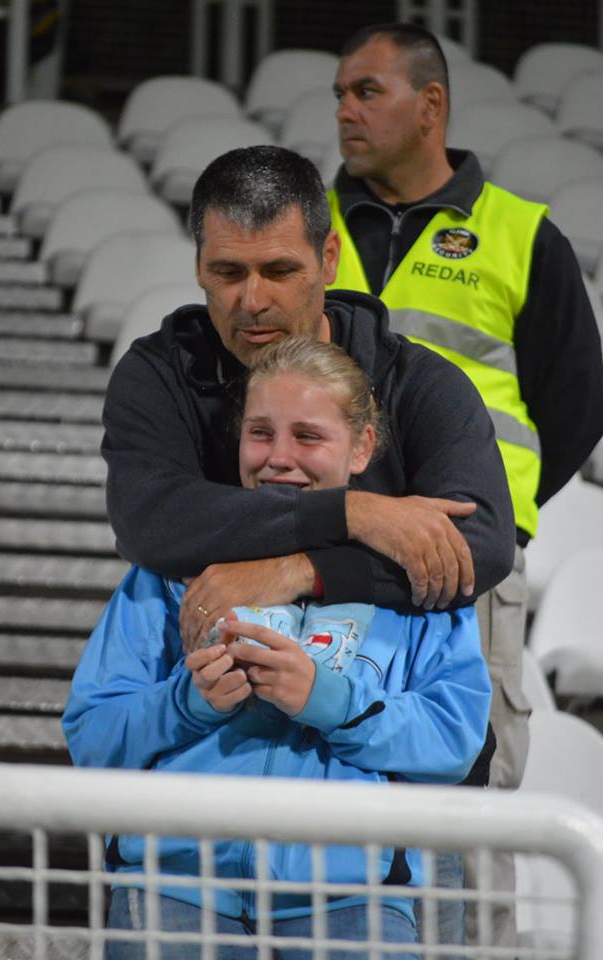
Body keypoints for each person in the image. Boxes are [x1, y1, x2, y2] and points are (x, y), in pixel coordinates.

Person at [63, 336, 493, 959]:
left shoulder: (413, 585)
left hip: (353, 896)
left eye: (309, 437)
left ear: (362, 448)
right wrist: (188, 702)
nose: (279, 459)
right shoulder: (172, 572)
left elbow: (455, 739)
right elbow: (93, 732)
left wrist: (331, 700)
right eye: (260, 433)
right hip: (177, 884)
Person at [327, 22, 603, 945]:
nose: (345, 110)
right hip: (331, 547)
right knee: (329, 777)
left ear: (430, 104)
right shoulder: (304, 230)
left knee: (471, 794)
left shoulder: (524, 234)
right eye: (339, 93)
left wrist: (495, 512)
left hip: (471, 567)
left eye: (367, 91)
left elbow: (573, 407)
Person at [101, 144, 515, 660]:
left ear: (329, 259)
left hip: (389, 703)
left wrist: (301, 572)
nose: (252, 302)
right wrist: (353, 513)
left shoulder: (421, 382)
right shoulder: (157, 374)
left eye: (279, 271)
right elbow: (151, 520)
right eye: (228, 273)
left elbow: (482, 545)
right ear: (200, 267)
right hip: (202, 701)